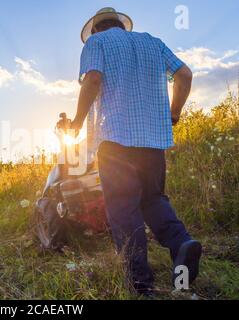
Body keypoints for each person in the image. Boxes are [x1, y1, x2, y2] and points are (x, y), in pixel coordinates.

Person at [70, 7, 202, 295]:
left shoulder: (97, 43)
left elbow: (92, 79)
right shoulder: (153, 42)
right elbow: (185, 75)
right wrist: (174, 114)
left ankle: (141, 283)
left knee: (122, 207)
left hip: (115, 140)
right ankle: (182, 243)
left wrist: (78, 122)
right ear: (121, 25)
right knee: (153, 199)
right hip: (152, 140)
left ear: (95, 29)